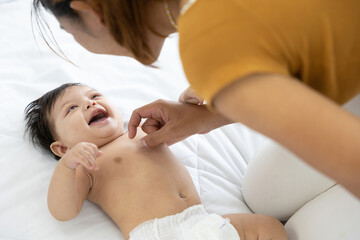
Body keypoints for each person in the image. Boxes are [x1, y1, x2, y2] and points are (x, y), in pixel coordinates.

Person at [31, 0, 360, 200]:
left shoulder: (208, 47)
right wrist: (212, 115)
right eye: (72, 108)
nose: (89, 103)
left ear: (92, 12)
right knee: (263, 192)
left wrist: (224, 83)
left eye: (68, 32)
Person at [24, 83, 287, 240]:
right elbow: (63, 211)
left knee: (266, 227)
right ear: (61, 147)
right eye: (71, 109)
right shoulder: (86, 164)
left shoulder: (138, 130)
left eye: (94, 96)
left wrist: (188, 105)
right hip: (157, 233)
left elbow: (179, 124)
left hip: (203, 222)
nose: (89, 104)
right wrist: (67, 166)